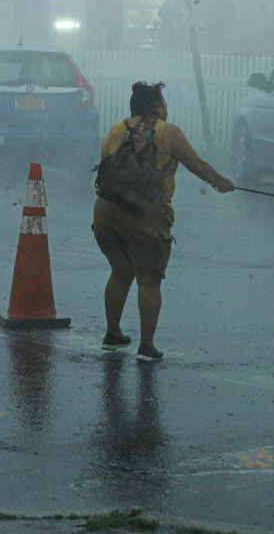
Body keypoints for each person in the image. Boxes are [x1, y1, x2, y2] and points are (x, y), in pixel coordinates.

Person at [92, 81, 234, 361]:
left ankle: (113, 334)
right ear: (157, 107)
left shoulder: (116, 130)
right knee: (148, 280)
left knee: (120, 272)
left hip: (107, 210)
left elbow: (108, 169)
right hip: (146, 213)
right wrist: (223, 183)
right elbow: (198, 166)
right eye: (164, 103)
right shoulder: (168, 133)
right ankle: (147, 345)